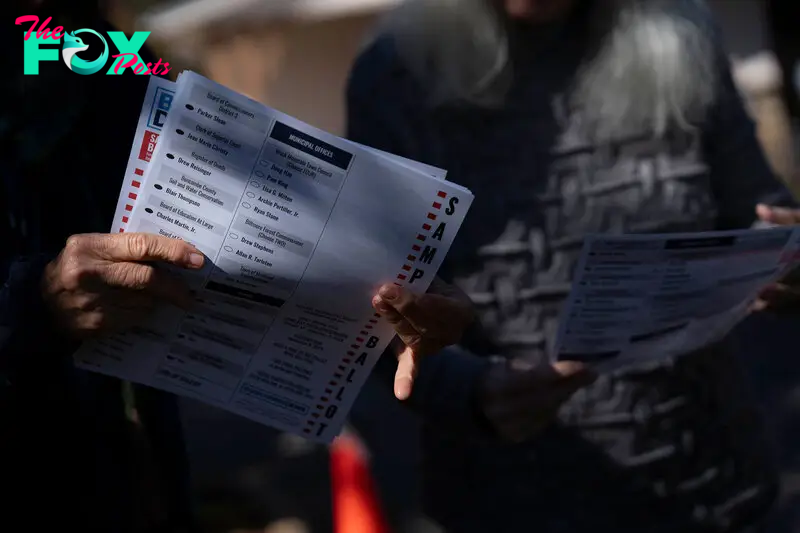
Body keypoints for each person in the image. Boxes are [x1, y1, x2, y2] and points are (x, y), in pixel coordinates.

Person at [1, 2, 474, 530]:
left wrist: (393, 292)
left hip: (127, 475)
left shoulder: (96, 50)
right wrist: (31, 302)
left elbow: (223, 226)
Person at [347, 0, 799, 531]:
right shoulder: (398, 72)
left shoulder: (682, 35)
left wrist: (783, 254)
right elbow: (362, 304)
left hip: (711, 482)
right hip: (509, 499)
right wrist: (469, 392)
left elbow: (754, 211)